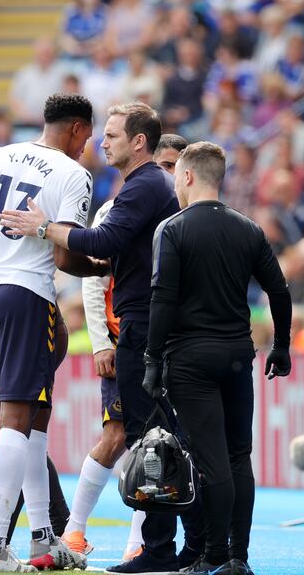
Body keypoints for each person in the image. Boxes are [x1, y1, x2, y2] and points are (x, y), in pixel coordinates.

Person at [0, 102, 199, 573]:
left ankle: (164, 548)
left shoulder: (144, 185)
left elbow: (102, 242)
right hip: (145, 323)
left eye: (111, 135)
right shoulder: (145, 187)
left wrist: (45, 228)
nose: (101, 142)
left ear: (138, 142)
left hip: (143, 327)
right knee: (157, 437)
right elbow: (115, 255)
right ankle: (175, 545)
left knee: (153, 440)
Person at [0, 92, 97, 571]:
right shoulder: (74, 175)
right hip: (27, 295)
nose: (86, 147)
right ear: (75, 129)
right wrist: (105, 263)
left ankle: (42, 540)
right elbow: (65, 255)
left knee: (33, 421)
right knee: (16, 417)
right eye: (87, 137)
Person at [142, 142, 293, 575]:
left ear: (187, 176)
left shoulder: (172, 229)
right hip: (235, 356)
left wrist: (152, 359)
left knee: (210, 460)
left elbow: (163, 298)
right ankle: (239, 557)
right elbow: (279, 290)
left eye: (175, 175)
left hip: (189, 358)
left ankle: (212, 555)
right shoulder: (248, 228)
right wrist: (281, 344)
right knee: (238, 455)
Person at [62, 133, 188, 558]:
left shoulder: (187, 217)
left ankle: (141, 545)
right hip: (126, 341)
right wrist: (101, 343)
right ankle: (74, 531)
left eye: (175, 169)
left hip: (173, 344)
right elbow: (95, 282)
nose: (168, 177)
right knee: (121, 436)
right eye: (164, 167)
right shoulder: (118, 209)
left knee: (165, 442)